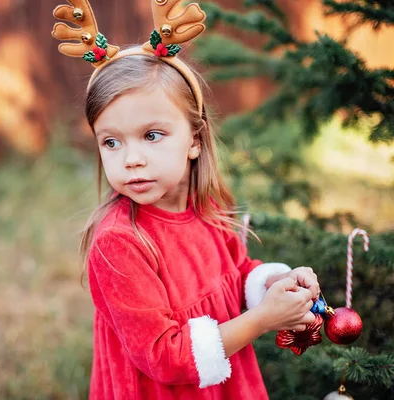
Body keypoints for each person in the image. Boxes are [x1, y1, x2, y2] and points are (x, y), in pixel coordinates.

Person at [52, 1, 321, 398]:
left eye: (152, 135)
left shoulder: (206, 208)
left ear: (194, 139)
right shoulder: (119, 243)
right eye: (111, 142)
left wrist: (275, 284)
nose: (132, 159)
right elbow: (164, 355)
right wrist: (263, 319)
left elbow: (237, 271)